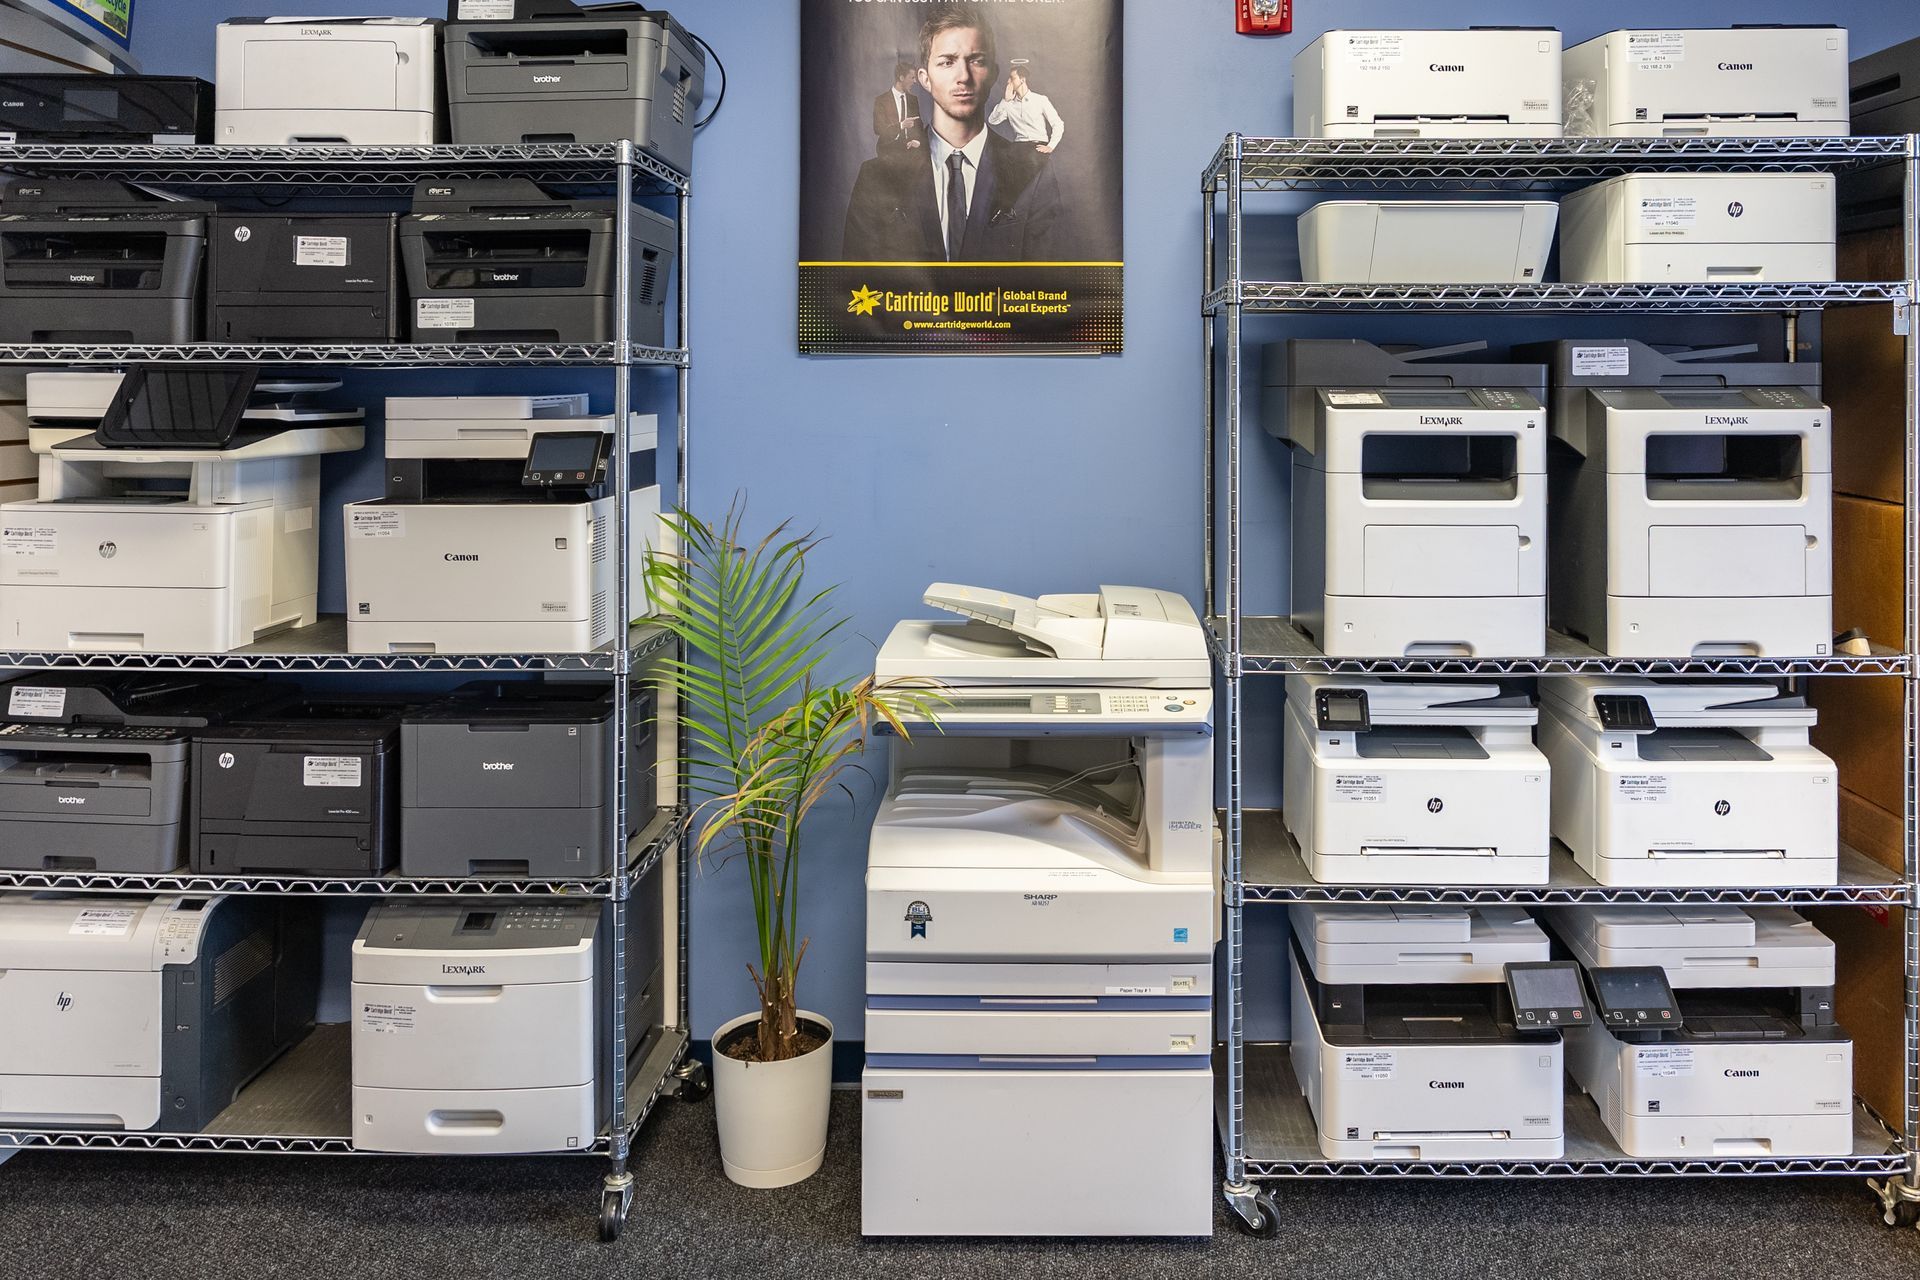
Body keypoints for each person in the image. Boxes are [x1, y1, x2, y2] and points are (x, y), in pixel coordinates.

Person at [841, 3, 1066, 262]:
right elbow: (857, 292)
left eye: (977, 61)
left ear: (992, 75)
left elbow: (1047, 291)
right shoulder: (876, 178)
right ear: (925, 79)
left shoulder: (1034, 175)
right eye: (947, 62)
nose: (963, 76)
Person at [988, 66, 1065, 155]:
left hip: (1038, 147)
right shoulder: (1008, 104)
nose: (1008, 81)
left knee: (1031, 162)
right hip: (1019, 148)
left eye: (1012, 78)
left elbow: (1058, 124)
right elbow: (992, 121)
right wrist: (1005, 101)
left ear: (1022, 80)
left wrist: (1051, 146)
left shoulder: (1040, 100)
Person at [871, 61, 924, 157]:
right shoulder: (881, 100)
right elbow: (878, 129)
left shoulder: (913, 100)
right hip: (888, 150)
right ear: (901, 78)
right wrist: (901, 126)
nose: (915, 81)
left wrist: (917, 141)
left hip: (910, 149)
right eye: (912, 78)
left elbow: (919, 125)